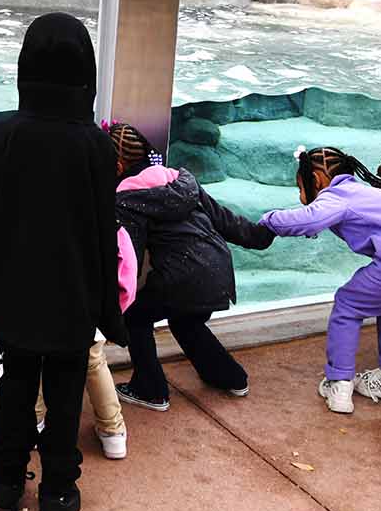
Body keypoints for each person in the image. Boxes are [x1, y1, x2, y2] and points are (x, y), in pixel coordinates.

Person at [0, 13, 128, 511]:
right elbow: (105, 235)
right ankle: (58, 493)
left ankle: (6, 486)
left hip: (15, 297)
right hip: (73, 300)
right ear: (87, 72)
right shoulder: (96, 146)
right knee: (63, 394)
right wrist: (108, 307)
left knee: (14, 388)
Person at [260, 146, 381, 415]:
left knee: (348, 304)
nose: (300, 195)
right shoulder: (366, 193)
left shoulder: (337, 196)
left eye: (300, 187)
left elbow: (309, 219)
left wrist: (267, 221)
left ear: (317, 180)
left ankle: (339, 384)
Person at [107, 123, 274, 412]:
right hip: (218, 268)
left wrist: (114, 297)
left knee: (135, 318)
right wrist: (263, 233)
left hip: (180, 276)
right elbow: (226, 220)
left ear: (118, 164)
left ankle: (150, 390)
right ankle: (230, 378)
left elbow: (129, 257)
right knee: (186, 320)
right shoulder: (182, 180)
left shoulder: (127, 198)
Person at [34, 210, 138, 461]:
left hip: (47, 305)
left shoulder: (45, 219)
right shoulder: (111, 223)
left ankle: (34, 422)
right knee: (93, 361)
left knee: (35, 357)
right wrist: (112, 318)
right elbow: (126, 274)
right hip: (90, 310)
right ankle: (113, 432)